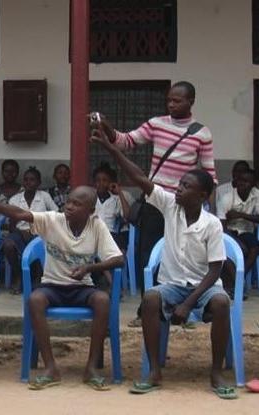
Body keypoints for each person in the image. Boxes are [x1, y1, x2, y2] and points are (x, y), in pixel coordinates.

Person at [92, 130, 235, 399]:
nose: (178, 189)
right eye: (179, 184)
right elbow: (140, 178)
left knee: (222, 303)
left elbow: (215, 270)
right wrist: (112, 149)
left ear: (202, 195)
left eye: (186, 186)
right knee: (150, 298)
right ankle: (154, 371)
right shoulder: (170, 206)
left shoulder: (212, 224)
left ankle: (217, 373)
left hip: (203, 287)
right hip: (172, 285)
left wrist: (189, 303)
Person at [0, 185, 123, 391]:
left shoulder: (97, 226)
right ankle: (50, 368)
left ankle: (91, 368)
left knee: (102, 301)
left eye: (77, 204)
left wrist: (89, 268)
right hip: (52, 286)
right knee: (35, 300)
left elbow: (118, 259)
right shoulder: (52, 220)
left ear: (91, 211)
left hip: (81, 287)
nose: (69, 207)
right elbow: (19, 213)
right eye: (69, 201)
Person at [96, 81, 217, 326]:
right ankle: (146, 311)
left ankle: (184, 308)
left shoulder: (202, 133)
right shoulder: (156, 124)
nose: (171, 104)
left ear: (191, 102)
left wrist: (209, 211)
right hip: (156, 201)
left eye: (177, 100)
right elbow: (125, 141)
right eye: (169, 100)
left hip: (184, 207)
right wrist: (106, 125)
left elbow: (210, 175)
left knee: (183, 258)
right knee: (147, 258)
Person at [3, 167, 58, 294]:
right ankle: (19, 276)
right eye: (26, 180)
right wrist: (21, 232)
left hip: (41, 233)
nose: (29, 183)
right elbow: (11, 225)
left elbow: (56, 215)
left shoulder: (44, 196)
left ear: (39, 183)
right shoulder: (15, 199)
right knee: (8, 245)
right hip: (19, 233)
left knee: (41, 244)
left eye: (32, 180)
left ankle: (38, 278)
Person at [217, 169, 259, 297]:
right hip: (228, 232)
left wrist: (240, 215)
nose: (241, 183)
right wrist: (237, 243)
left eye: (246, 181)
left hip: (245, 231)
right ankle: (238, 284)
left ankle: (238, 280)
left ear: (253, 184)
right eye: (240, 180)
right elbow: (221, 227)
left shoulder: (256, 195)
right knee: (230, 252)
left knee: (255, 247)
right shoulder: (227, 198)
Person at [93, 163, 131, 251]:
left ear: (110, 183)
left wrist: (120, 192)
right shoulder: (91, 197)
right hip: (92, 235)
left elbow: (127, 216)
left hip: (110, 236)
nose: (101, 183)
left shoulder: (115, 199)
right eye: (98, 180)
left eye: (104, 180)